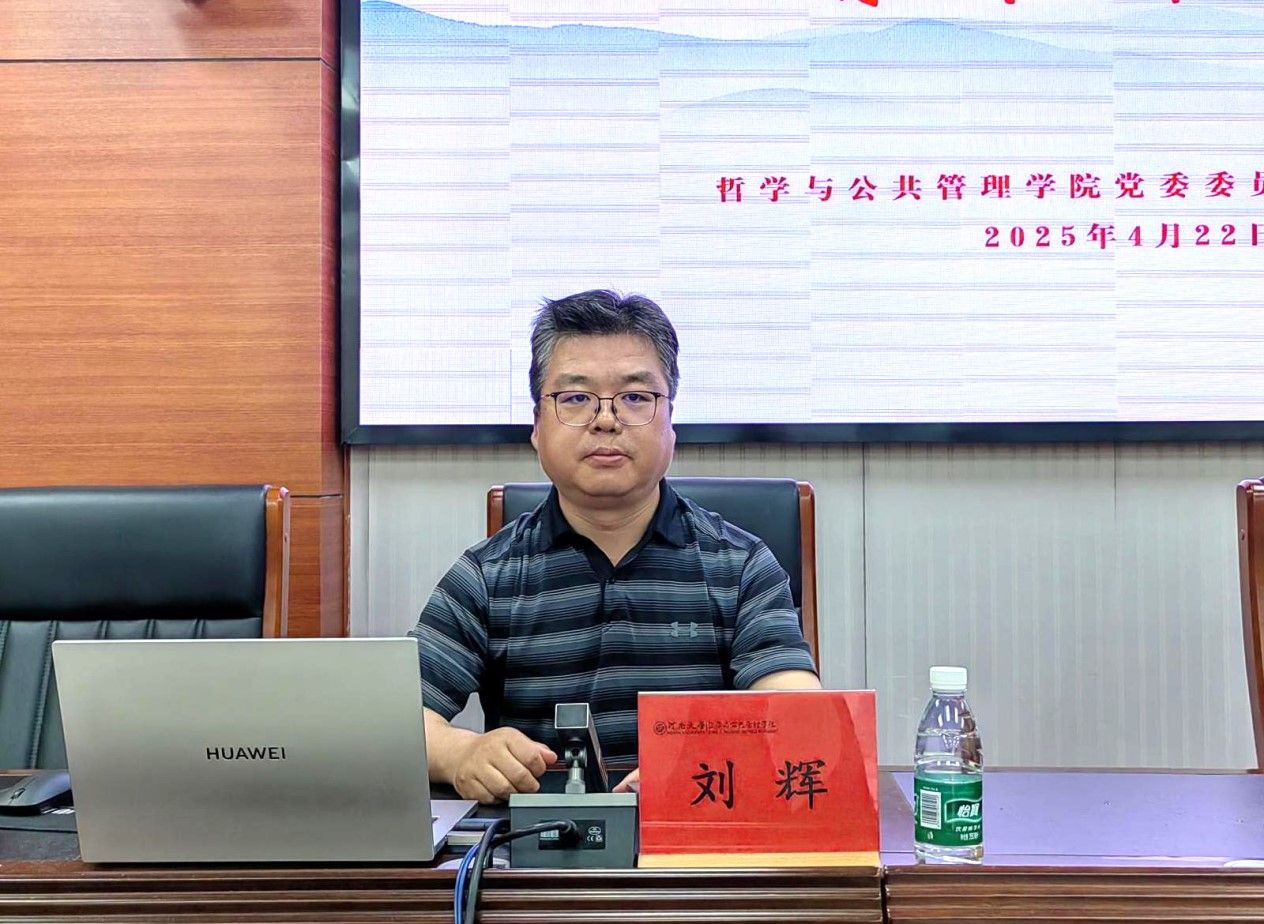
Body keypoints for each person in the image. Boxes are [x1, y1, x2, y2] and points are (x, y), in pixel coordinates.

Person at [411, 290, 820, 803]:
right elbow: (399, 719)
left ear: (671, 424)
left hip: (695, 833)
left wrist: (695, 766)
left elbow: (795, 711)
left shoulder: (739, 566)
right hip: (537, 841)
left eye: (635, 397)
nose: (606, 420)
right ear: (536, 427)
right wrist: (461, 753)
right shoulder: (487, 575)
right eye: (575, 398)